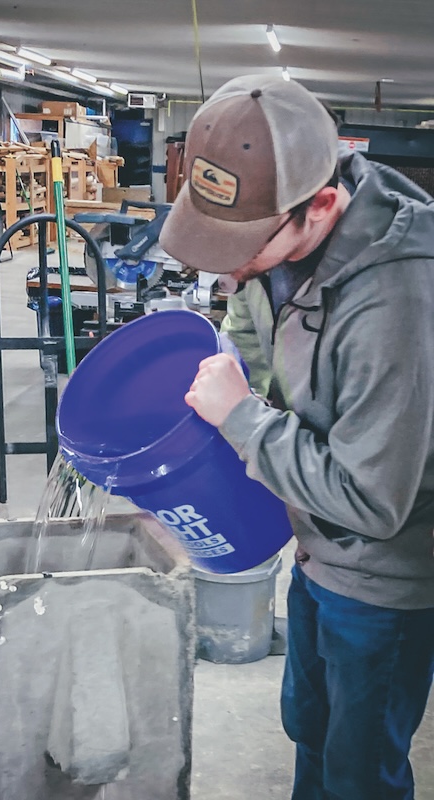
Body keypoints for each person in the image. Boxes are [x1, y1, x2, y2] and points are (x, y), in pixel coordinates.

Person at [159, 74, 434, 800]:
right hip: (315, 554)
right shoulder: (281, 238)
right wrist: (227, 373)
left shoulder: (399, 299)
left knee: (360, 770)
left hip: (384, 580)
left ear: (319, 205)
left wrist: (242, 417)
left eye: (242, 246)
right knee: (310, 729)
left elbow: (372, 502)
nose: (226, 267)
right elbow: (253, 320)